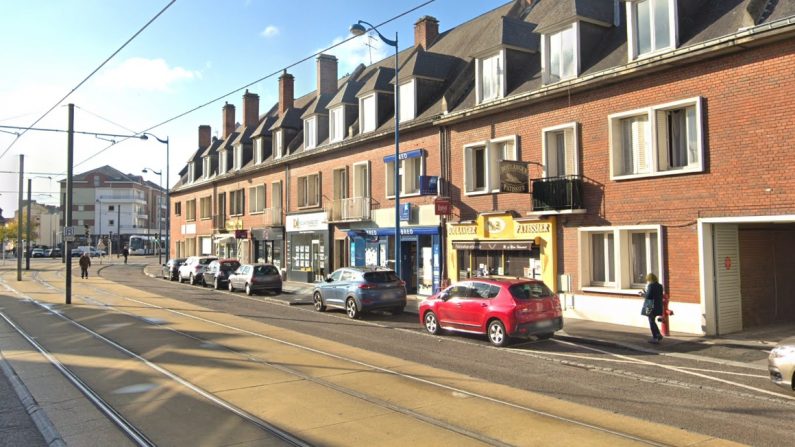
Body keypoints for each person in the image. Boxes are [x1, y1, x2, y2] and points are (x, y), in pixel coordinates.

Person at [640, 273, 664, 343]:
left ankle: (655, 337)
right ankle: (658, 334)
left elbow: (649, 296)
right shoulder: (660, 286)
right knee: (653, 321)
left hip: (650, 305)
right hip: (658, 305)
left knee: (651, 321)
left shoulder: (651, 286)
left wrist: (642, 294)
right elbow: (660, 295)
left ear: (650, 279)